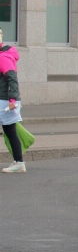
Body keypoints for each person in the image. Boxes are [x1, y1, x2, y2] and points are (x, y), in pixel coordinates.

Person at [0, 29, 24, 173]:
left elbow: (12, 79)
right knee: (10, 132)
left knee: (10, 132)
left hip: (5, 101)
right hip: (4, 100)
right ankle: (19, 162)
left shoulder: (3, 57)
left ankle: (19, 162)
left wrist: (12, 99)